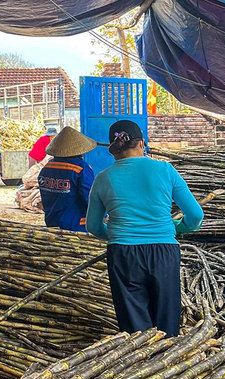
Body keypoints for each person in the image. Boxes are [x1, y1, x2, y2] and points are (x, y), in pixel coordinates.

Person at [86, 120, 204, 337]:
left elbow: (93, 226)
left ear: (113, 149)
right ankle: (167, 360)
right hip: (164, 251)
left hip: (123, 254)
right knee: (166, 321)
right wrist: (179, 227)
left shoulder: (103, 178)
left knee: (134, 326)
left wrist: (116, 235)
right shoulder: (165, 170)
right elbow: (196, 215)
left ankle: (140, 363)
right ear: (141, 143)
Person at [37, 126, 96, 232]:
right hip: (76, 225)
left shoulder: (47, 167)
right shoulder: (80, 168)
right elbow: (91, 199)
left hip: (52, 222)